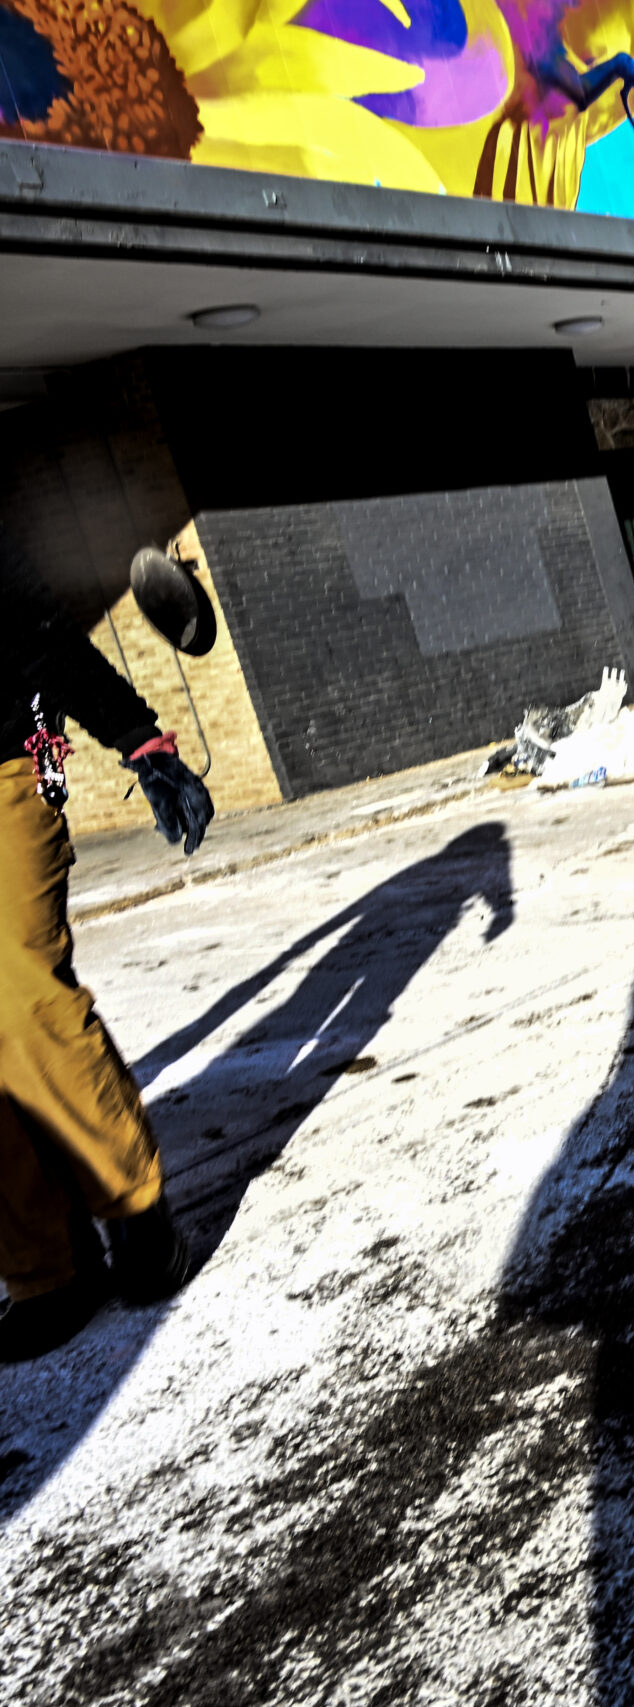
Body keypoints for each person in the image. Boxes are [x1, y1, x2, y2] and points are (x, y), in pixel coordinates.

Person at [1, 525, 206, 1361]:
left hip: (8, 765)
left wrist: (139, 736)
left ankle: (135, 1211)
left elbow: (36, 625)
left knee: (21, 996)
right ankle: (46, 1269)